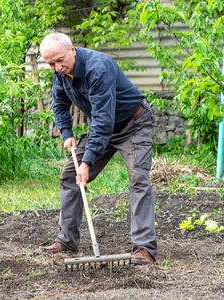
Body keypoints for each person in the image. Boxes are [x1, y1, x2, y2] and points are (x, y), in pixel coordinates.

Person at [37, 32, 157, 265]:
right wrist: (67, 133)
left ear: (72, 49)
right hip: (104, 126)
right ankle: (66, 240)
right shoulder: (60, 72)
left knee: (138, 178)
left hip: (134, 124)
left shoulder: (97, 68)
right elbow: (60, 104)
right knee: (71, 174)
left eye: (60, 60)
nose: (57, 67)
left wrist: (88, 161)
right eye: (51, 63)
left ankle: (144, 248)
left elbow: (103, 119)